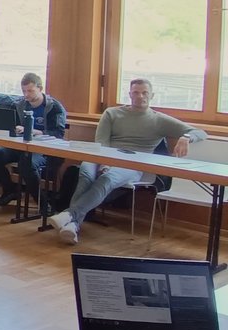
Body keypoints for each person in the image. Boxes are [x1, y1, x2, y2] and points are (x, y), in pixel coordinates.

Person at [47, 78, 207, 244]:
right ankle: (73, 224)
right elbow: (101, 142)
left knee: (106, 179)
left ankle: (70, 216)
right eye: (136, 92)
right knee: (85, 174)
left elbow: (200, 132)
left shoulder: (160, 120)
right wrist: (105, 162)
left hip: (132, 164)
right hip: (102, 156)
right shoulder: (111, 113)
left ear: (152, 95)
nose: (140, 96)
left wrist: (186, 137)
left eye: (144, 93)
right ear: (130, 94)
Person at [0, 73, 68, 206]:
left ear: (40, 89)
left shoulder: (54, 107)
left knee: (26, 164)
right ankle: (10, 190)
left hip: (45, 149)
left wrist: (33, 131)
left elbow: (58, 134)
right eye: (24, 91)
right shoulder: (20, 105)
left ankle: (42, 203)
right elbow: (12, 125)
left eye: (30, 91)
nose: (26, 95)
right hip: (21, 145)